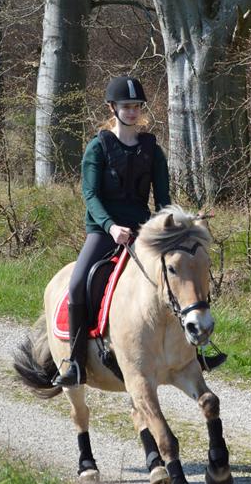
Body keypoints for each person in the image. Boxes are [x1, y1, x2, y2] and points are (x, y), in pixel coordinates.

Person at [54, 75, 183, 386]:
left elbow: (163, 199)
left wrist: (169, 227)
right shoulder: (97, 148)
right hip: (103, 231)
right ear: (113, 108)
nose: (132, 111)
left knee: (180, 273)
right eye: (126, 107)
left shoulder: (152, 150)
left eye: (136, 106)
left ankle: (196, 350)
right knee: (76, 286)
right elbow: (90, 196)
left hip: (142, 230)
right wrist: (111, 228)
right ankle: (75, 362)